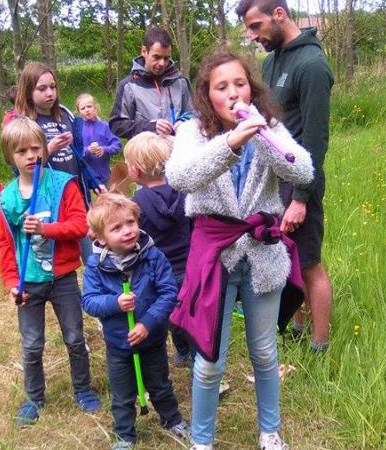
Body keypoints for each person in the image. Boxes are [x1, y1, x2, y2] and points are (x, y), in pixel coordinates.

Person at [165, 50, 314, 450]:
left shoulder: (270, 126)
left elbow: (302, 170)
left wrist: (260, 134)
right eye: (221, 87)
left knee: (265, 353)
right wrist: (231, 142)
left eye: (240, 83)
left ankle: (270, 431)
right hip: (213, 257)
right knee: (210, 360)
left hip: (261, 255)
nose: (233, 93)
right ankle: (202, 442)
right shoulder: (192, 133)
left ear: (251, 87)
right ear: (207, 95)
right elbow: (179, 177)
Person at [237, 0, 335, 351]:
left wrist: (301, 198)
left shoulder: (312, 66)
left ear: (279, 15)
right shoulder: (271, 60)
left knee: (309, 262)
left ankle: (320, 345)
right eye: (249, 29)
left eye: (256, 26)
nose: (252, 36)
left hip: (300, 182)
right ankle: (296, 325)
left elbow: (315, 139)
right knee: (287, 256)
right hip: (273, 180)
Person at [0, 117, 101, 428]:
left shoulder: (62, 185)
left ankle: (82, 388)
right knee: (31, 344)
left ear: (44, 148)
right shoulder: (7, 199)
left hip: (63, 278)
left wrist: (46, 228)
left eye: (35, 148)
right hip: (28, 284)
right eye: (21, 151)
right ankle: (34, 397)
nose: (30, 156)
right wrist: (12, 283)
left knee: (74, 337)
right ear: (10, 156)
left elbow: (81, 225)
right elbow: (4, 245)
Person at [82, 193, 190, 449]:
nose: (128, 230)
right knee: (122, 394)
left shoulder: (153, 256)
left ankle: (172, 419)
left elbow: (168, 293)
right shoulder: (95, 266)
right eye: (116, 228)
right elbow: (89, 301)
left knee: (160, 383)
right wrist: (114, 303)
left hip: (151, 338)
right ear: (99, 236)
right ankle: (125, 435)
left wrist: (147, 323)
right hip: (118, 344)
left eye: (130, 222)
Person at [7, 61, 107, 263]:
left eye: (53, 87)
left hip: (75, 195)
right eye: (42, 88)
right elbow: (19, 171)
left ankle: (93, 291)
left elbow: (79, 157)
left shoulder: (66, 116)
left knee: (92, 257)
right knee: (52, 259)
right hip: (47, 199)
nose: (49, 93)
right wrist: (49, 149)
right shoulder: (22, 122)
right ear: (28, 91)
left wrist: (94, 182)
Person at [122, 132, 194, 367]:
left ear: (136, 170)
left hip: (157, 270)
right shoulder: (185, 193)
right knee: (187, 313)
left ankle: (184, 354)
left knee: (164, 312)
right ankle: (188, 354)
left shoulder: (138, 203)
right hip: (188, 267)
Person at [109, 27, 193, 140]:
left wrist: (184, 123)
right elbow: (116, 125)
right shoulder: (128, 85)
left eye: (166, 58)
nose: (162, 63)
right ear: (144, 51)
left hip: (178, 152)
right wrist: (151, 127)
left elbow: (196, 114)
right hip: (145, 154)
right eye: (157, 57)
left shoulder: (181, 81)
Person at [75, 93, 121, 185]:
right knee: (87, 198)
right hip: (85, 173)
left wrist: (104, 149)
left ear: (95, 107)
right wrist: (87, 150)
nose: (87, 110)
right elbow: (74, 150)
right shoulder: (77, 128)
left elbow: (117, 145)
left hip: (103, 172)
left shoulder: (105, 126)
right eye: (83, 108)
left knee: (107, 197)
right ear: (79, 111)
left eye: (89, 106)